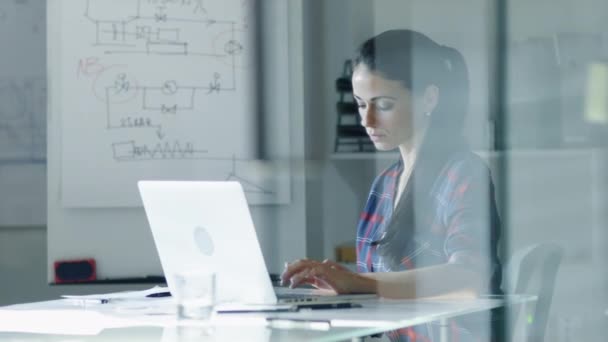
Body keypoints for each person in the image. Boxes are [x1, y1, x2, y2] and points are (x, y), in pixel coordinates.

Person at [281, 29, 503, 341]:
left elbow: (468, 278)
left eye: (383, 104)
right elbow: (377, 293)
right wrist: (333, 281)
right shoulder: (384, 185)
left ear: (429, 98)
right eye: (360, 104)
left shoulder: (463, 174)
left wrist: (360, 283)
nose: (367, 121)